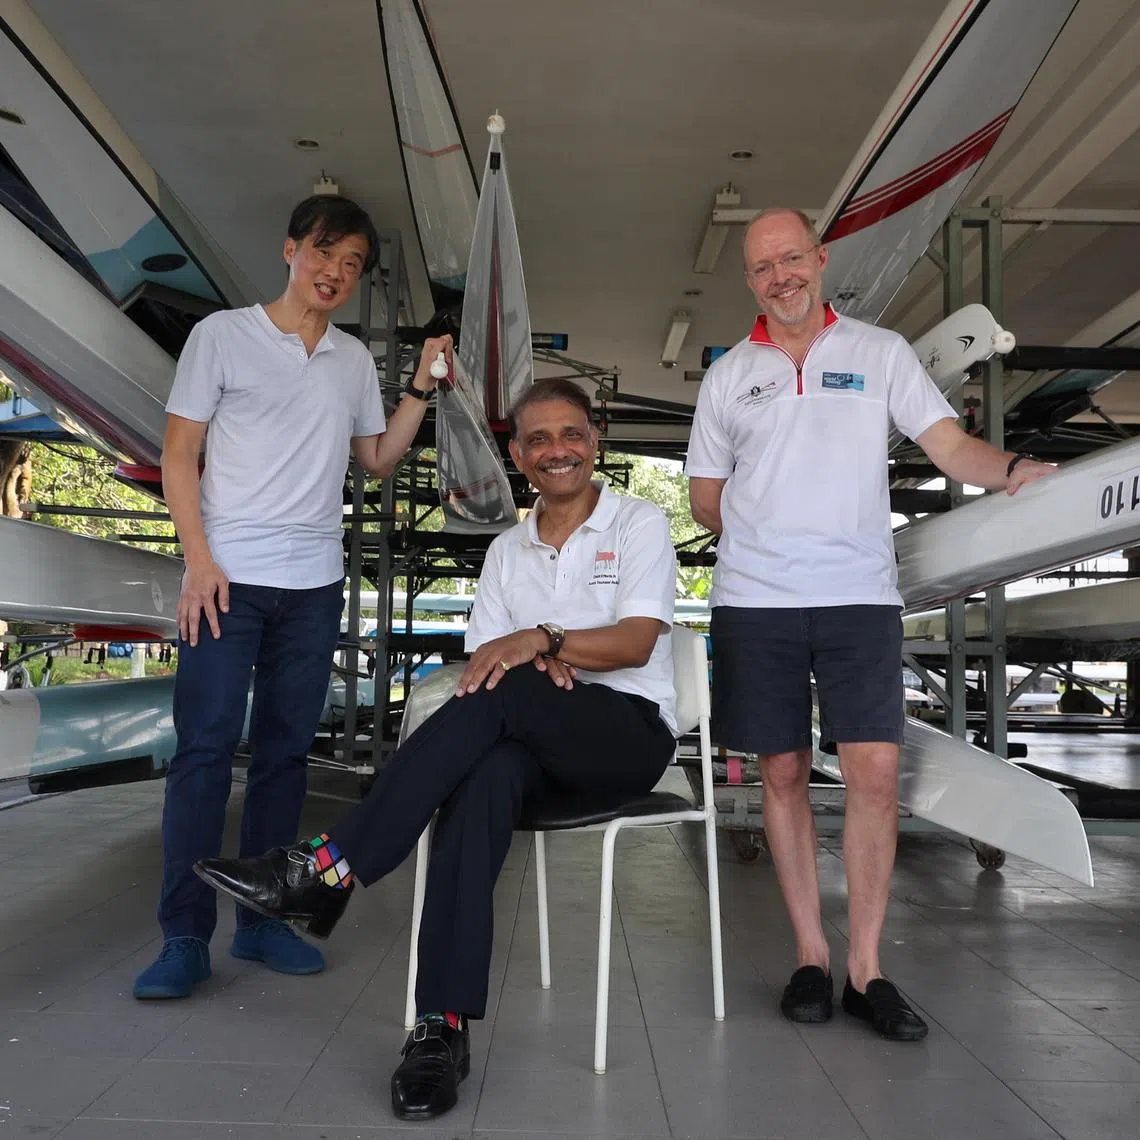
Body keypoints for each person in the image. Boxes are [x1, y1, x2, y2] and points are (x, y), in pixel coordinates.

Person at [193, 378, 679, 1120]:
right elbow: (486, 669)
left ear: (595, 441)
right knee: (483, 776)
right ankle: (438, 1030)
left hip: (624, 735)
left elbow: (636, 641)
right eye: (539, 439)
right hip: (532, 745)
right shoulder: (507, 552)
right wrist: (525, 660)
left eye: (572, 434)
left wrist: (542, 641)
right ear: (517, 455)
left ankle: (328, 866)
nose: (558, 450)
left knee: (511, 685)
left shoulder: (638, 523)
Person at [685, 208, 1055, 1041]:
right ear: (749, 281)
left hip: (858, 596)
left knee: (875, 775)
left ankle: (866, 969)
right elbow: (706, 499)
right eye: (762, 267)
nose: (780, 276)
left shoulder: (879, 353)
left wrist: (1019, 472)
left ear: (820, 260)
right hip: (757, 601)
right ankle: (811, 957)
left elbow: (953, 447)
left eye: (792, 258)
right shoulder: (727, 376)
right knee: (780, 773)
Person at [134, 195, 450, 1000]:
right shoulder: (222, 337)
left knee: (282, 759)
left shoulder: (349, 362)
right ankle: (182, 936)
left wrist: (418, 385)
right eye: (324, 255)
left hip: (313, 588)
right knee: (203, 753)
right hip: (226, 582)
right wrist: (196, 560)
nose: (335, 274)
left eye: (351, 266)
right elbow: (179, 456)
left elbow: (377, 459)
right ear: (290, 250)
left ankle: (263, 922)